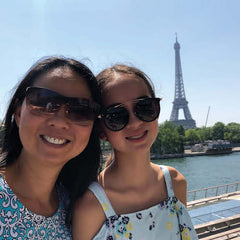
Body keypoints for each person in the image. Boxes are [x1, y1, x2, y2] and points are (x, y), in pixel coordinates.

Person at [72, 64, 198, 240]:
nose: (135, 123)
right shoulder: (89, 207)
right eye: (116, 116)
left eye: (145, 107)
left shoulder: (176, 183)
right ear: (101, 130)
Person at [0, 56, 102, 239]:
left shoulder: (76, 207)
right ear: (18, 112)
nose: (59, 122)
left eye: (80, 110)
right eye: (43, 102)